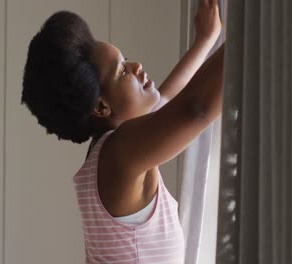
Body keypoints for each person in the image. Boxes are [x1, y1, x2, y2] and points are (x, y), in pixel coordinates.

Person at [21, 0, 223, 262]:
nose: (136, 67)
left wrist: (205, 39)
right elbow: (196, 108)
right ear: (102, 107)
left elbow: (168, 101)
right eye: (122, 70)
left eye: (126, 59)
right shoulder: (118, 154)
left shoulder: (108, 153)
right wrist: (251, 29)